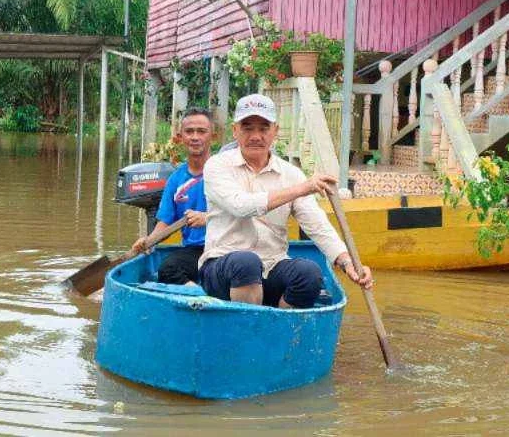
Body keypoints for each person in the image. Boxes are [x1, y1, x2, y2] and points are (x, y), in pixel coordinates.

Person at [199, 94, 373, 309]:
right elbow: (241, 206)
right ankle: (249, 330)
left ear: (275, 132)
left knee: (309, 274)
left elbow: (316, 224)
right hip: (222, 266)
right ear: (235, 131)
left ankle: (281, 329)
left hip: (271, 266)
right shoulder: (217, 166)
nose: (256, 136)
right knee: (245, 262)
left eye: (263, 128)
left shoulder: (291, 174)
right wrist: (301, 189)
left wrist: (347, 262)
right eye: (247, 128)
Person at [131, 108, 213, 285]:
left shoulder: (224, 171)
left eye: (201, 131)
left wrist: (207, 218)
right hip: (195, 251)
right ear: (180, 136)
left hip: (225, 247)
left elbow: (240, 213)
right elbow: (165, 223)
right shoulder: (176, 179)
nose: (195, 137)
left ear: (212, 135)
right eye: (189, 131)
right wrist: (148, 241)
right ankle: (205, 299)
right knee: (168, 270)